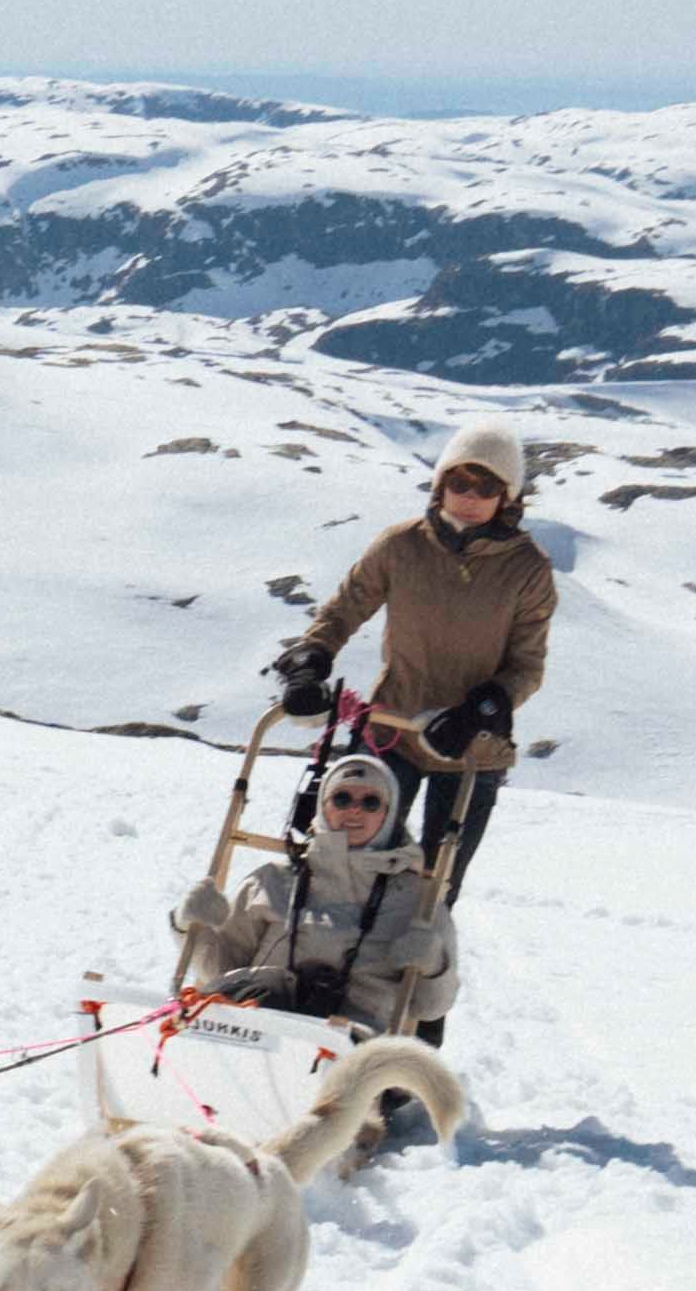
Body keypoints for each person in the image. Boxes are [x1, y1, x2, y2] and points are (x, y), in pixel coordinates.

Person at [272, 417, 552, 977]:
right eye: (460, 483)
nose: (470, 499)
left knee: (434, 888)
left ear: (508, 496)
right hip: (392, 731)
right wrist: (310, 659)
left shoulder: (528, 571)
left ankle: (416, 1010)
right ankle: (322, 979)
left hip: (471, 750)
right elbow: (344, 608)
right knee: (349, 865)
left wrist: (480, 710)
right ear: (441, 484)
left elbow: (526, 666)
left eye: (487, 487)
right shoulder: (402, 546)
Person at [179, 748, 454, 1036]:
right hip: (258, 1029)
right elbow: (221, 971)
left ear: (389, 813)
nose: (355, 809)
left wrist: (434, 966)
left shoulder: (419, 902)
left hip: (355, 1050)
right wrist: (191, 928)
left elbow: (431, 1006)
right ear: (323, 805)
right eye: (342, 798)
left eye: (370, 802)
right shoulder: (272, 881)